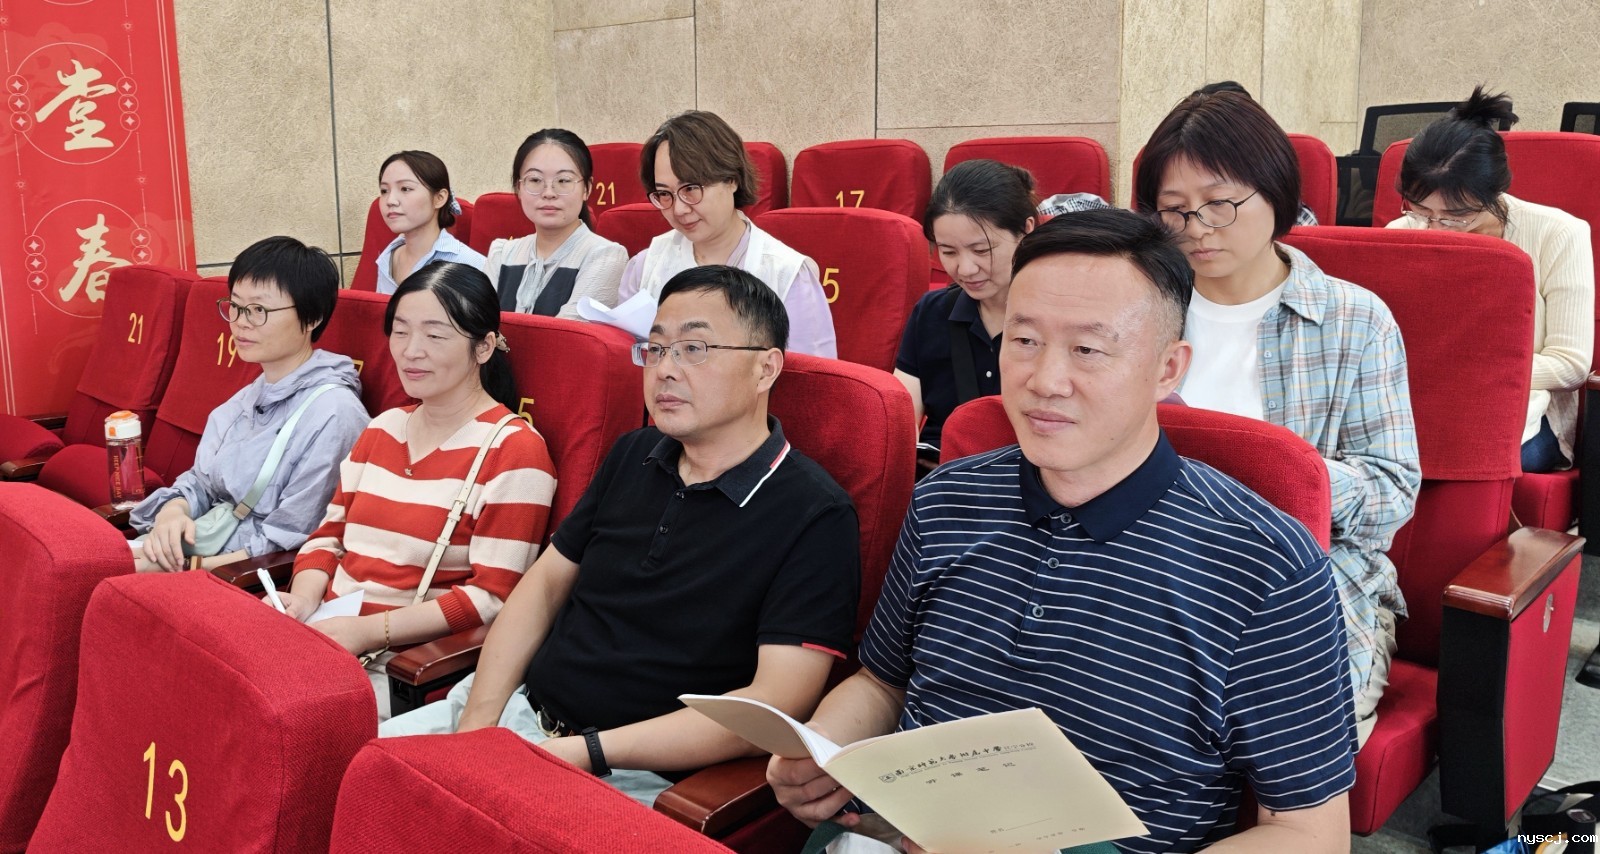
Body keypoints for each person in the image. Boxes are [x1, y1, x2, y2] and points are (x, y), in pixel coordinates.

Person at [768, 210, 1356, 853]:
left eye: (1087, 349)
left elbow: (1309, 831)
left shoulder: (1265, 564)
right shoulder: (945, 498)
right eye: (1023, 340)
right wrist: (825, 750)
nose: (1044, 382)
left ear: (1168, 369)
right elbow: (884, 683)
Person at [382, 265, 860, 808]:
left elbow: (776, 702)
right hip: (515, 713)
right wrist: (478, 724)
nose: (665, 370)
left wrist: (584, 752)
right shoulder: (635, 452)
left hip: (633, 774)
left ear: (765, 368)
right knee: (360, 779)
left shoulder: (816, 514)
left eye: (694, 349)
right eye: (655, 350)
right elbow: (544, 586)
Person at [1135, 88, 1420, 746]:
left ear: (1275, 192)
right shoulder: (1140, 309)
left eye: (1219, 204)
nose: (1197, 229)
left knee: (1283, 739)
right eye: (1174, 210)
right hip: (1154, 568)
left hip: (1309, 584)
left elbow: (1393, 491)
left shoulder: (1355, 320)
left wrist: (1276, 473)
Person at [282, 261, 556, 720]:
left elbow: (492, 599)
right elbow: (328, 537)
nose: (411, 351)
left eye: (435, 335)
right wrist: (305, 599)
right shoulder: (383, 427)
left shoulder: (515, 451)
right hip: (324, 633)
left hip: (400, 667)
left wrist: (367, 632)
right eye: (401, 331)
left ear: (484, 347)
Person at [1386, 86, 1594, 473]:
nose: (1436, 228)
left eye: (1456, 216)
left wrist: (1466, 371)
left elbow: (1570, 365)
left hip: (1526, 412)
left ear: (1494, 193)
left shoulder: (1558, 234)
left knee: (1456, 459)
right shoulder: (1401, 233)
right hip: (1421, 404)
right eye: (1421, 210)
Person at [130, 236, 368, 572]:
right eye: (236, 306)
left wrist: (192, 568)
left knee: (102, 574)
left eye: (259, 310)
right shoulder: (250, 395)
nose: (240, 322)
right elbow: (201, 481)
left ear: (312, 317)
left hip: (241, 572)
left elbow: (293, 536)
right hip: (206, 542)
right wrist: (173, 512)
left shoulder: (335, 414)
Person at [616, 111, 838, 358]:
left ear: (731, 179)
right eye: (664, 194)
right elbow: (625, 361)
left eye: (691, 189)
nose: (679, 209)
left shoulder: (786, 275)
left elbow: (811, 376)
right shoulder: (645, 267)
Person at [894, 159, 1035, 465]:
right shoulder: (931, 312)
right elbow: (900, 421)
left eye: (982, 250)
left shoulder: (1059, 318)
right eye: (948, 252)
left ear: (1026, 230)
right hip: (939, 474)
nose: (966, 269)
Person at [485, 129, 628, 319]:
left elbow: (567, 333)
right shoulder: (501, 253)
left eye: (563, 180)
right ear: (519, 187)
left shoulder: (605, 257)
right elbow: (476, 326)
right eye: (535, 180)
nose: (548, 193)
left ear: (587, 189)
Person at [373, 150, 487, 294]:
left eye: (405, 189)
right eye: (384, 191)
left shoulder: (470, 264)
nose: (390, 201)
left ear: (439, 198)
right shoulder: (387, 257)